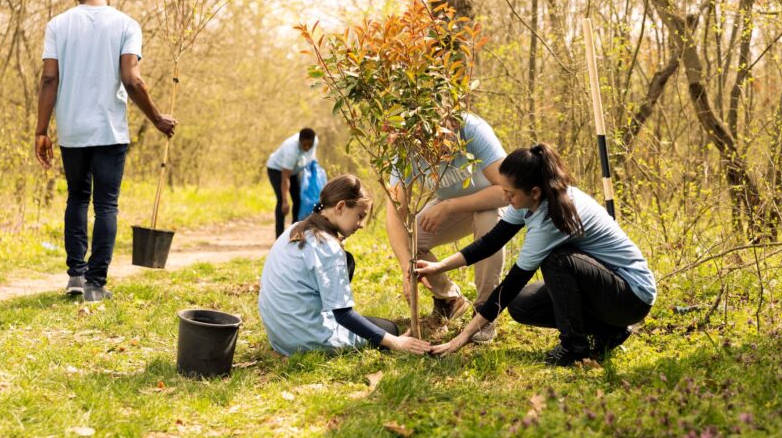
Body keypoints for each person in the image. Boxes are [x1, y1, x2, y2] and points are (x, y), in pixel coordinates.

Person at [418, 144, 656, 366]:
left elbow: (511, 283)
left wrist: (463, 337)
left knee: (557, 260)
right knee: (522, 305)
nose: (505, 198)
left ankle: (575, 346)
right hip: (604, 288)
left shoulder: (554, 215)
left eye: (509, 193)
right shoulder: (534, 200)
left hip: (631, 297)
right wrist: (439, 268)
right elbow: (491, 242)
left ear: (534, 191)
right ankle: (609, 329)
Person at [35, 0, 177, 303]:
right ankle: (95, 284)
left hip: (72, 129)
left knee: (77, 198)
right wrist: (156, 118)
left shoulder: (58, 25)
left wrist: (41, 130)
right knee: (106, 205)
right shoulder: (126, 24)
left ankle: (75, 276)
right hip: (110, 131)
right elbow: (132, 79)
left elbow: (49, 79)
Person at [258, 175, 430, 357]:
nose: (361, 225)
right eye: (360, 216)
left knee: (373, 325)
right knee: (390, 328)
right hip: (303, 341)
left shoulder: (294, 230)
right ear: (340, 207)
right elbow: (344, 315)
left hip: (279, 336)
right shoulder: (328, 247)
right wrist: (395, 342)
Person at [386, 112, 508, 343]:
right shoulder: (407, 148)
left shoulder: (473, 130)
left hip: (490, 202)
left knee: (488, 221)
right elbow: (396, 211)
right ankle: (450, 299)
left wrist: (452, 205)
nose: (444, 149)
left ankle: (485, 312)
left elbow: (507, 191)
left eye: (448, 139)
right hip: (449, 205)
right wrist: (405, 268)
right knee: (412, 241)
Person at [266, 128, 318, 238]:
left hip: (294, 170)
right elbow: (285, 177)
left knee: (298, 199)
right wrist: (285, 201)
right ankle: (279, 236)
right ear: (299, 141)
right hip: (277, 169)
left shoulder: (315, 141)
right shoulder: (291, 149)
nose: (307, 147)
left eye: (310, 145)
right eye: (304, 145)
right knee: (281, 202)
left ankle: (294, 233)